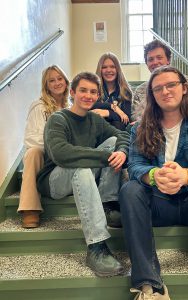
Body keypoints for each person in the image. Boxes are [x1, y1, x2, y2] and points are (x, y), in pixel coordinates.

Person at [119, 65, 188, 300]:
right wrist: (155, 176)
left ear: (184, 88)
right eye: (158, 88)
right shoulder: (140, 129)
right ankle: (151, 287)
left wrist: (186, 175)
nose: (165, 91)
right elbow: (134, 166)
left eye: (171, 85)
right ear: (152, 95)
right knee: (130, 189)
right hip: (160, 207)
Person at [36, 72, 130, 276]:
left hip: (83, 175)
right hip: (55, 180)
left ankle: (107, 205)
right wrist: (104, 157)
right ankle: (96, 247)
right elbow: (62, 153)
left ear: (98, 96)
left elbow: (121, 135)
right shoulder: (58, 119)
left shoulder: (94, 120)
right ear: (72, 92)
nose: (88, 95)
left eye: (93, 92)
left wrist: (121, 152)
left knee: (114, 145)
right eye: (83, 90)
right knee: (82, 168)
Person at [18, 65, 69, 228]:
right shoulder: (39, 107)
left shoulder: (71, 107)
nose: (56, 83)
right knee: (32, 152)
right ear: (46, 85)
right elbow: (31, 139)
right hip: (47, 155)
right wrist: (56, 145)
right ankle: (30, 209)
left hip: (66, 156)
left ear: (66, 82)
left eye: (59, 79)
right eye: (51, 81)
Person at [91, 52, 133, 131]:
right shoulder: (93, 88)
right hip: (95, 130)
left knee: (117, 124)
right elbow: (91, 106)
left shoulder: (125, 92)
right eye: (104, 67)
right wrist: (114, 108)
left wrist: (108, 113)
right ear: (100, 70)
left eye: (113, 67)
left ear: (118, 69)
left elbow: (126, 119)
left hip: (117, 132)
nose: (108, 70)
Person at [131, 40, 171, 122]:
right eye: (151, 59)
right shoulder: (140, 90)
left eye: (159, 58)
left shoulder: (180, 83)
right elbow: (136, 117)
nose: (155, 62)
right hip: (148, 130)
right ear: (146, 63)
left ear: (168, 60)